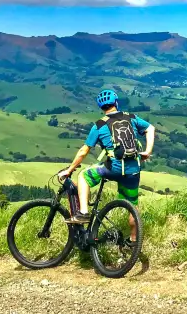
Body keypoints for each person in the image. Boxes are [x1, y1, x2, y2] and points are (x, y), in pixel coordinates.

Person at [58, 89, 155, 240]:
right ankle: (134, 240)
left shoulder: (99, 125)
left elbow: (84, 151)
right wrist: (147, 152)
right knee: (133, 207)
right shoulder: (132, 118)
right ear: (116, 103)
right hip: (132, 170)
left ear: (101, 108)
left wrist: (70, 169)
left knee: (83, 176)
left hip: (113, 169)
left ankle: (83, 213)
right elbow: (150, 128)